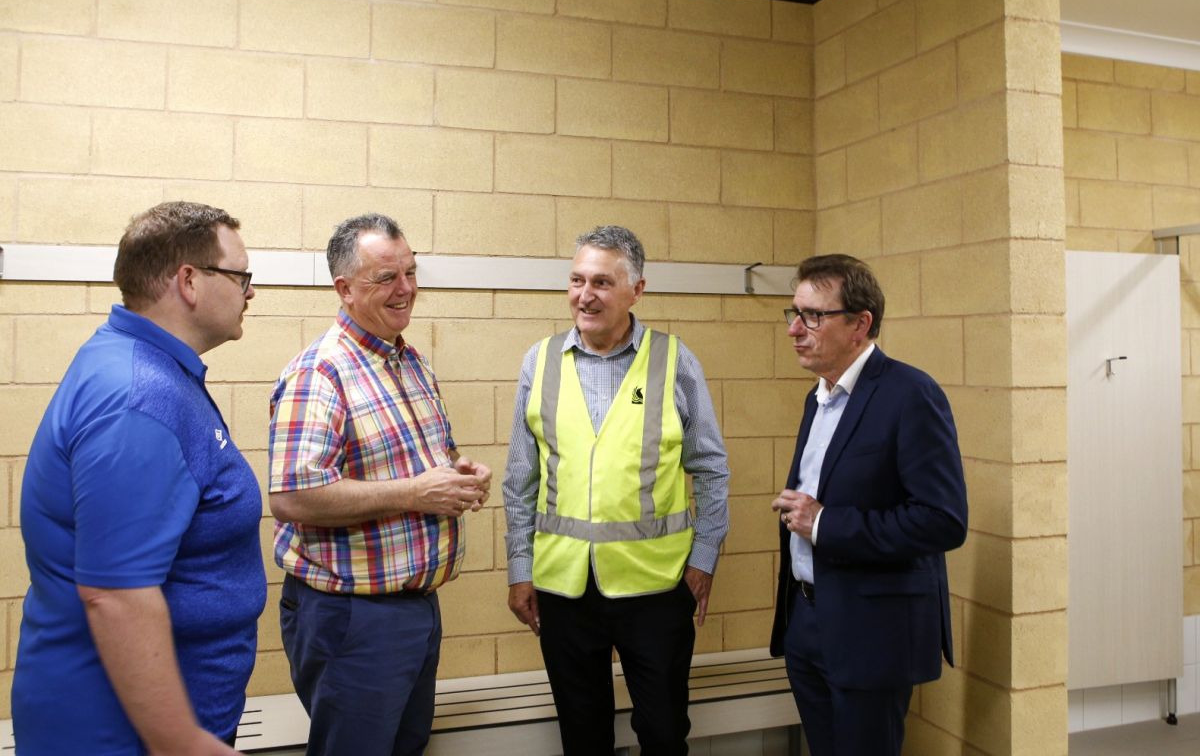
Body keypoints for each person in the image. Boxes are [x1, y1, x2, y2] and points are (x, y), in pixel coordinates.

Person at [13, 201, 266, 755]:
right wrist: (182, 742)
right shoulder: (140, 400)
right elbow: (116, 594)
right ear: (190, 281)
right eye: (242, 276)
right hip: (118, 735)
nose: (251, 292)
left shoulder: (145, 370)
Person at [268, 212, 491, 756]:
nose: (406, 290)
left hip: (414, 610)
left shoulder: (409, 361)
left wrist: (458, 471)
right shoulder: (320, 372)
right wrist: (414, 493)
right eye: (387, 278)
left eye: (411, 273)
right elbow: (293, 496)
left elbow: (424, 456)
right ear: (344, 289)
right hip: (352, 620)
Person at [503, 225, 730, 756]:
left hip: (656, 588)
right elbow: (520, 479)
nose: (585, 295)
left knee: (665, 733)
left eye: (602, 282)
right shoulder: (539, 362)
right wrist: (520, 569)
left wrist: (704, 558)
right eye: (577, 280)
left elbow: (712, 470)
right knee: (583, 738)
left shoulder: (676, 361)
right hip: (564, 589)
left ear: (636, 290)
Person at [768, 253, 969, 756]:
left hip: (871, 631)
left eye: (813, 315)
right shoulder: (817, 399)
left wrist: (825, 523)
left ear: (861, 324)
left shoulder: (910, 394)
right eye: (794, 313)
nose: (795, 328)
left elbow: (942, 521)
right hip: (809, 621)